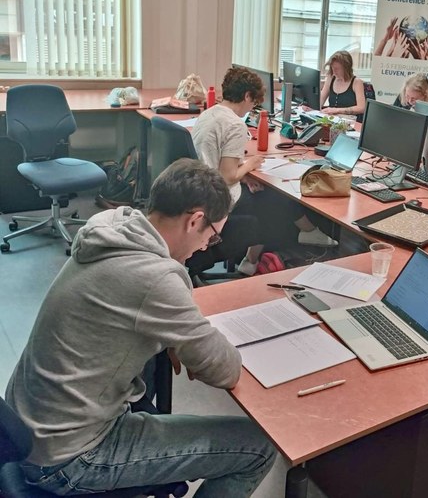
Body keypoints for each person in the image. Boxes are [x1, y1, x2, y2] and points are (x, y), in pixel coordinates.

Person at [5, 159, 277, 497]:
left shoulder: (112, 226)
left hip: (34, 429)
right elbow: (225, 370)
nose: (205, 247)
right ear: (195, 221)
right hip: (69, 458)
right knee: (257, 447)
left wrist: (173, 335)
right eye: (212, 237)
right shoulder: (155, 277)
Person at [192, 66, 337, 275]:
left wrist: (244, 177)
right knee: (274, 195)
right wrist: (251, 164)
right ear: (247, 95)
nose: (251, 108)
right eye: (253, 103)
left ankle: (252, 261)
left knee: (261, 190)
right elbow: (227, 175)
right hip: (220, 197)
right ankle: (305, 233)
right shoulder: (234, 124)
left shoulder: (209, 114)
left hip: (204, 190)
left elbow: (215, 164)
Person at [319, 50, 366, 121]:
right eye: (332, 68)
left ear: (346, 68)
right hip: (331, 120)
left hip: (349, 123)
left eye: (337, 69)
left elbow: (361, 108)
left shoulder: (356, 82)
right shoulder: (331, 78)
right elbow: (321, 100)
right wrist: (311, 106)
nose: (334, 71)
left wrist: (337, 110)